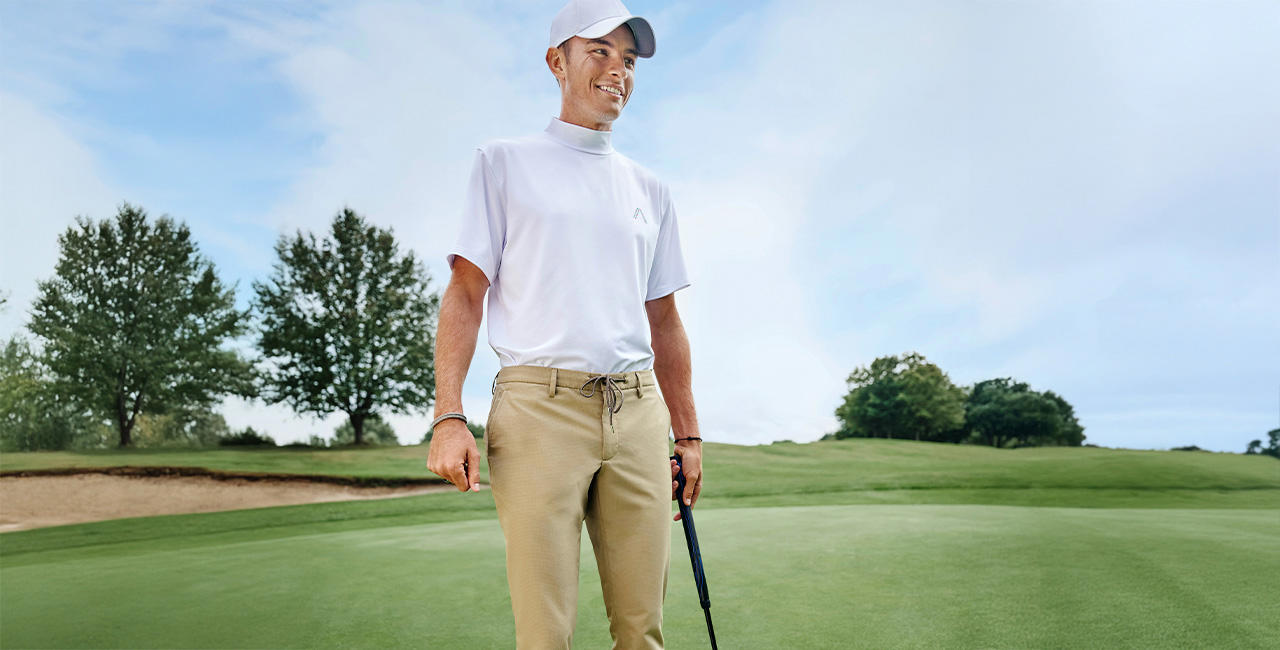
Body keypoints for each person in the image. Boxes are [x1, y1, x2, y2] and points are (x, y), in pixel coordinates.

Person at [425, 0, 703, 647]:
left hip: (637, 412)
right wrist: (448, 416)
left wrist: (687, 434)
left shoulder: (650, 189)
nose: (617, 70)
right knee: (545, 633)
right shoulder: (502, 162)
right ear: (557, 61)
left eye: (628, 59)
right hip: (538, 411)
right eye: (599, 51)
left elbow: (664, 320)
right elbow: (465, 294)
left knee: (643, 630)